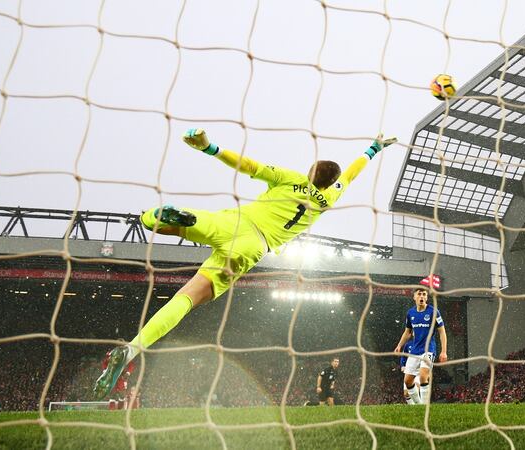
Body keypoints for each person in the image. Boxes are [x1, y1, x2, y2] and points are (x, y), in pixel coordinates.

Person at [95, 128, 396, 397]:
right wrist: (374, 149)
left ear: (310, 170)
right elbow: (350, 176)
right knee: (186, 299)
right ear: (329, 183)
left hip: (234, 222)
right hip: (252, 247)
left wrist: (209, 147)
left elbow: (249, 165)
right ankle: (133, 349)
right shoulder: (326, 200)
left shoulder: (290, 178)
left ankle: (164, 216)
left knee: (151, 220)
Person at [393, 287, 448, 405]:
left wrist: (443, 351)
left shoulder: (434, 312)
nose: (422, 296)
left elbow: (442, 331)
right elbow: (407, 332)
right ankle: (418, 406)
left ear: (427, 297)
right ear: (414, 297)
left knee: (423, 376)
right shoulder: (410, 313)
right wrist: (399, 346)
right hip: (415, 351)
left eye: (424, 294)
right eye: (419, 294)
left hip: (428, 349)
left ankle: (423, 407)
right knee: (408, 381)